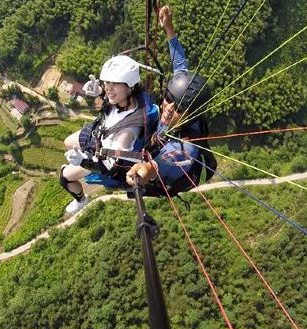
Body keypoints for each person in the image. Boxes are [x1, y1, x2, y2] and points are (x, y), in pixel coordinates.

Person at [125, 5, 217, 194]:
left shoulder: (186, 147)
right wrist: (168, 27)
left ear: (190, 116)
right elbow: (179, 64)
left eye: (178, 108)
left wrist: (144, 171)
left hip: (168, 174)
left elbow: (156, 166)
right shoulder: (181, 92)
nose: (168, 107)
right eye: (168, 98)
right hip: (159, 141)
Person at [60, 55, 158, 214]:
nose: (109, 88)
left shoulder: (128, 131)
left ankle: (81, 200)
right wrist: (99, 92)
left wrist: (84, 162)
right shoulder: (129, 97)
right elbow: (111, 99)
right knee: (67, 142)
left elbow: (110, 166)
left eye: (115, 84)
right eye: (107, 82)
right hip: (100, 133)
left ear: (130, 85)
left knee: (64, 178)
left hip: (101, 154)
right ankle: (80, 157)